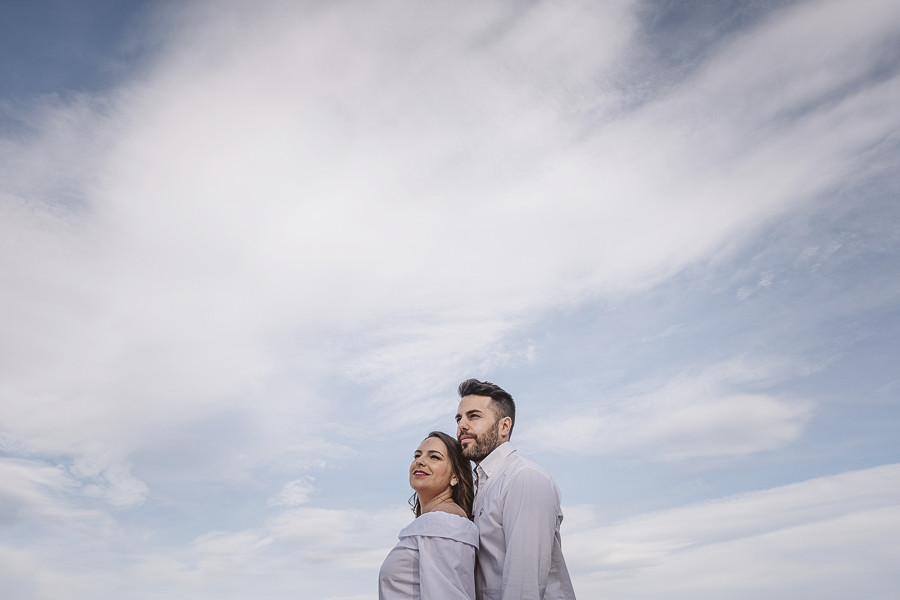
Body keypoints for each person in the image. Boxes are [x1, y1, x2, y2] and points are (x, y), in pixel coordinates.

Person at [455, 379, 577, 600]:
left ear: (504, 426)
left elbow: (524, 586)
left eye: (473, 416)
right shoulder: (482, 485)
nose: (462, 425)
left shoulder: (524, 477)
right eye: (459, 418)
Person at [379, 431, 478, 600]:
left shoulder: (443, 521)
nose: (420, 461)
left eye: (434, 457)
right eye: (417, 455)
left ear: (455, 476)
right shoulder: (435, 522)